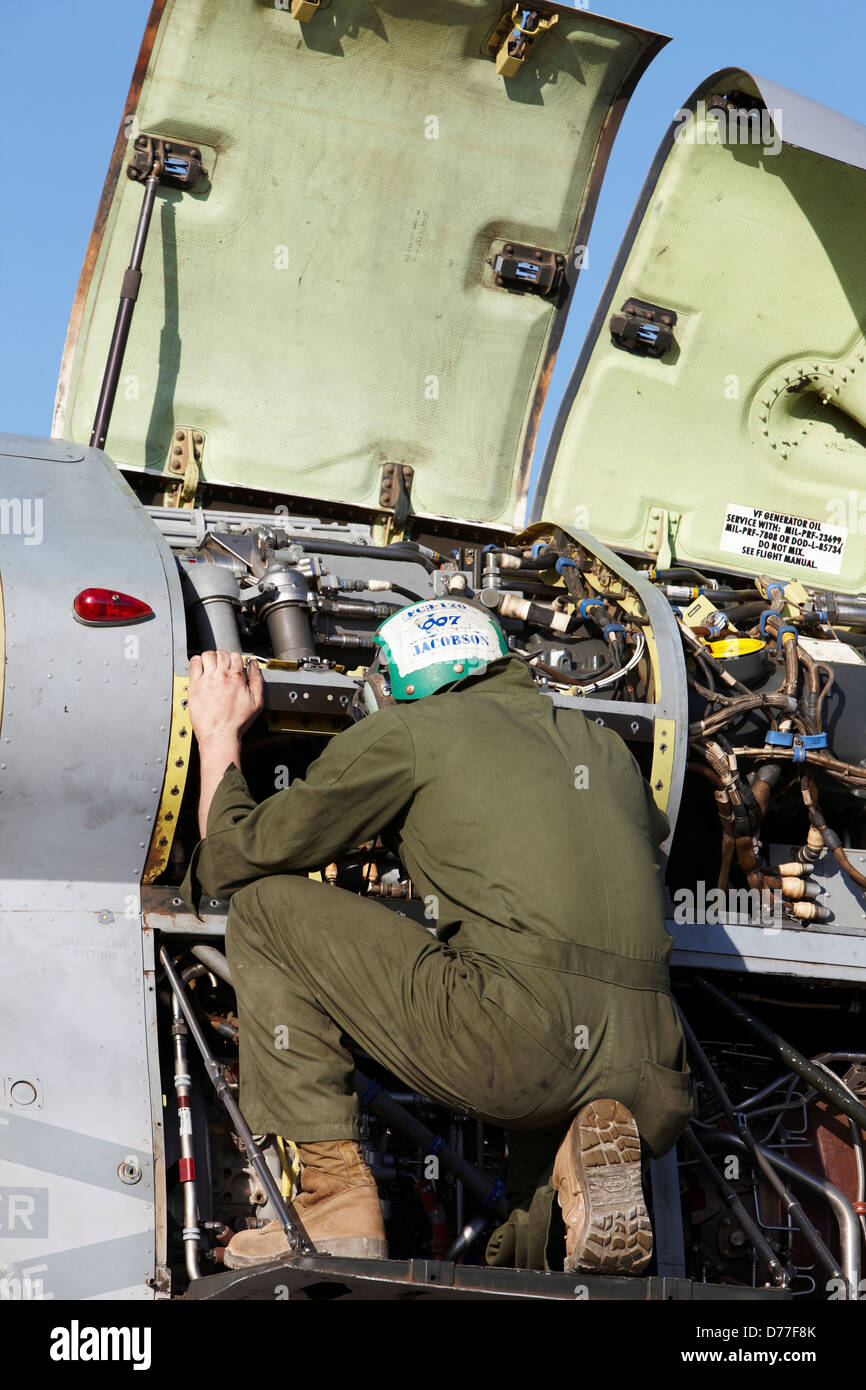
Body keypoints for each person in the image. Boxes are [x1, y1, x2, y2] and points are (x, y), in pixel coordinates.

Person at [180, 598, 692, 1272]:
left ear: (398, 685)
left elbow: (231, 860)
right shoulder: (602, 747)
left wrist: (219, 735)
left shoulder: (411, 732)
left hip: (519, 1046)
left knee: (268, 911)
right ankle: (578, 1166)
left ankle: (333, 1202)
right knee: (521, 1243)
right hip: (654, 1069)